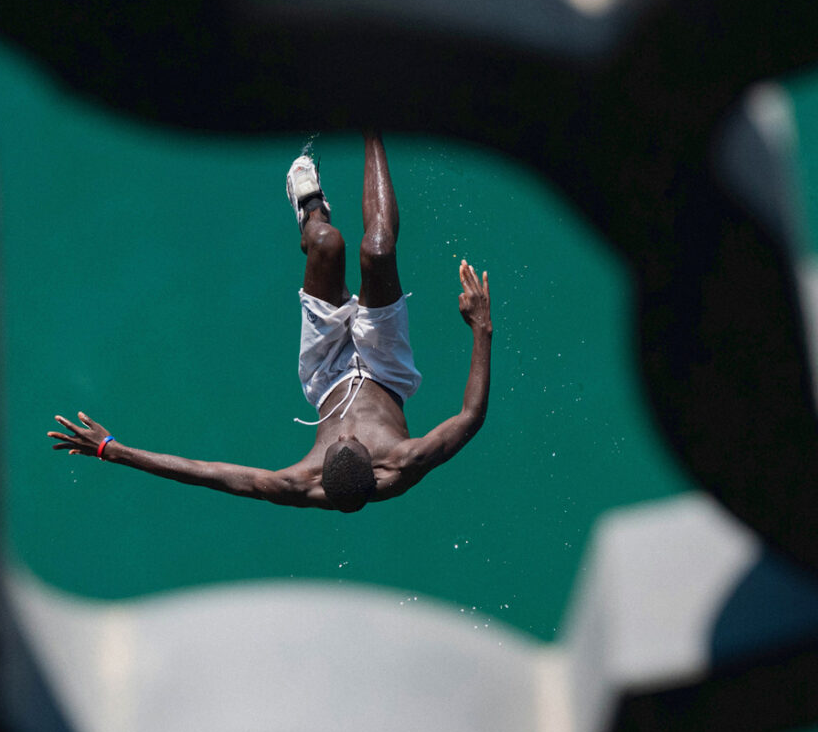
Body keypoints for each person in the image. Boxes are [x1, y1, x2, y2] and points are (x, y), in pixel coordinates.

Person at [49, 133, 491, 512]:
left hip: (325, 372)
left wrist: (115, 450)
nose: (345, 432)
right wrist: (480, 327)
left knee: (326, 243)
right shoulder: (404, 463)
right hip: (387, 369)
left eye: (336, 441)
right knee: (377, 250)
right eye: (352, 441)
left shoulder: (301, 483)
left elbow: (212, 474)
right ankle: (372, 123)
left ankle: (310, 210)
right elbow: (471, 417)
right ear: (374, 467)